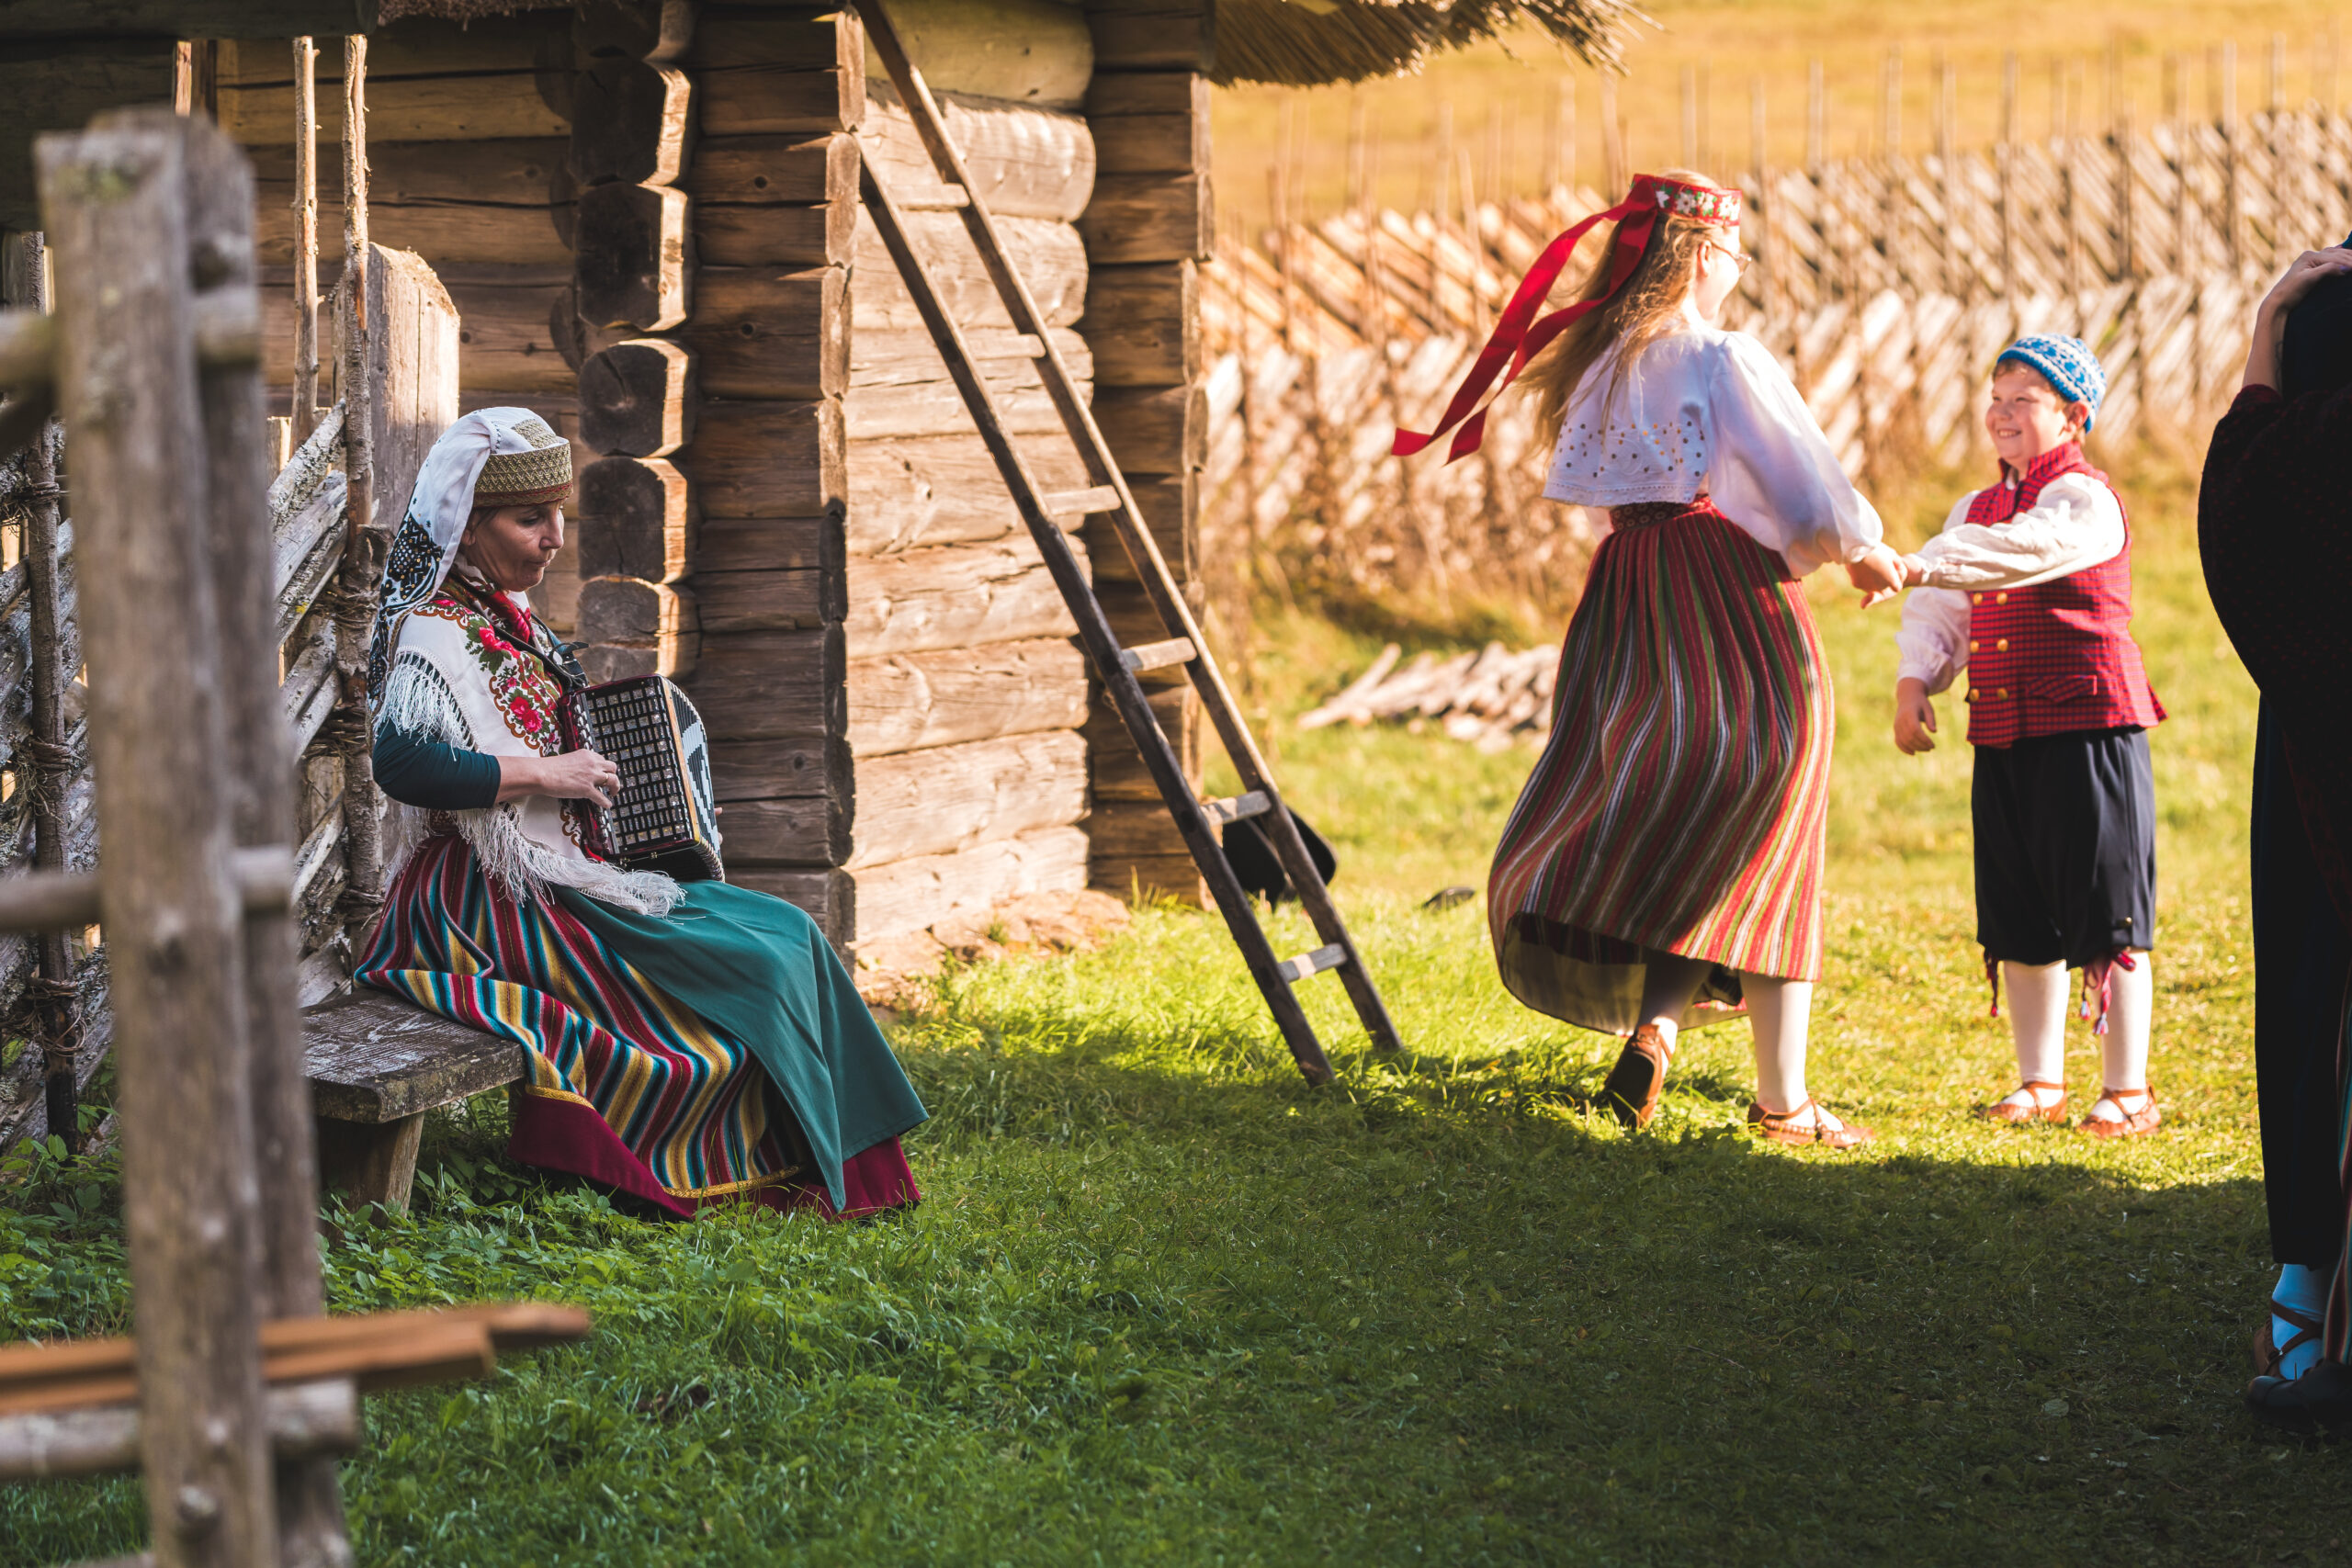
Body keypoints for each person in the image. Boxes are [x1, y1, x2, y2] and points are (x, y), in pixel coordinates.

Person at [1396, 170, 1904, 1147]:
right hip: (1725, 588)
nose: (1737, 276)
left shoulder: (1599, 361)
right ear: (1706, 255)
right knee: (1781, 815)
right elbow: (1801, 481)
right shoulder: (1718, 356)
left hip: (1631, 586)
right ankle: (1783, 1102)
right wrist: (1860, 547)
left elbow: (1611, 491)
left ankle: (1658, 1026)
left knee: (1705, 809)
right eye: (1737, 259)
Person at [359, 408, 926, 1219]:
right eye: (531, 519)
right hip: (489, 903)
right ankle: (769, 1167)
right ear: (468, 528)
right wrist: (545, 772)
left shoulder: (505, 619)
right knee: (755, 968)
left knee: (790, 931)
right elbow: (401, 762)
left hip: (569, 878)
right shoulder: (432, 629)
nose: (556, 535)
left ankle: (853, 1164)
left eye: (560, 515)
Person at [1877, 337, 2165, 1139]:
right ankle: (2041, 1080)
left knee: (2108, 908)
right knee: (2019, 907)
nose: (2002, 413)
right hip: (2003, 729)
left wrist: (1920, 562)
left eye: (2024, 399)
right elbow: (1942, 613)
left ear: (2075, 415)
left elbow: (2024, 553)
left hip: (2087, 725)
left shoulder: (2083, 500)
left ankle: (2128, 1088)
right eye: (1996, 397)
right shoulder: (1972, 508)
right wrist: (1914, 681)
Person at [2198, 243, 2352, 1431]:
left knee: (2320, 1015)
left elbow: (2238, 505)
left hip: (2319, 756)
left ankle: (2307, 1314)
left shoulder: (2308, 402)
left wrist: (2264, 330)